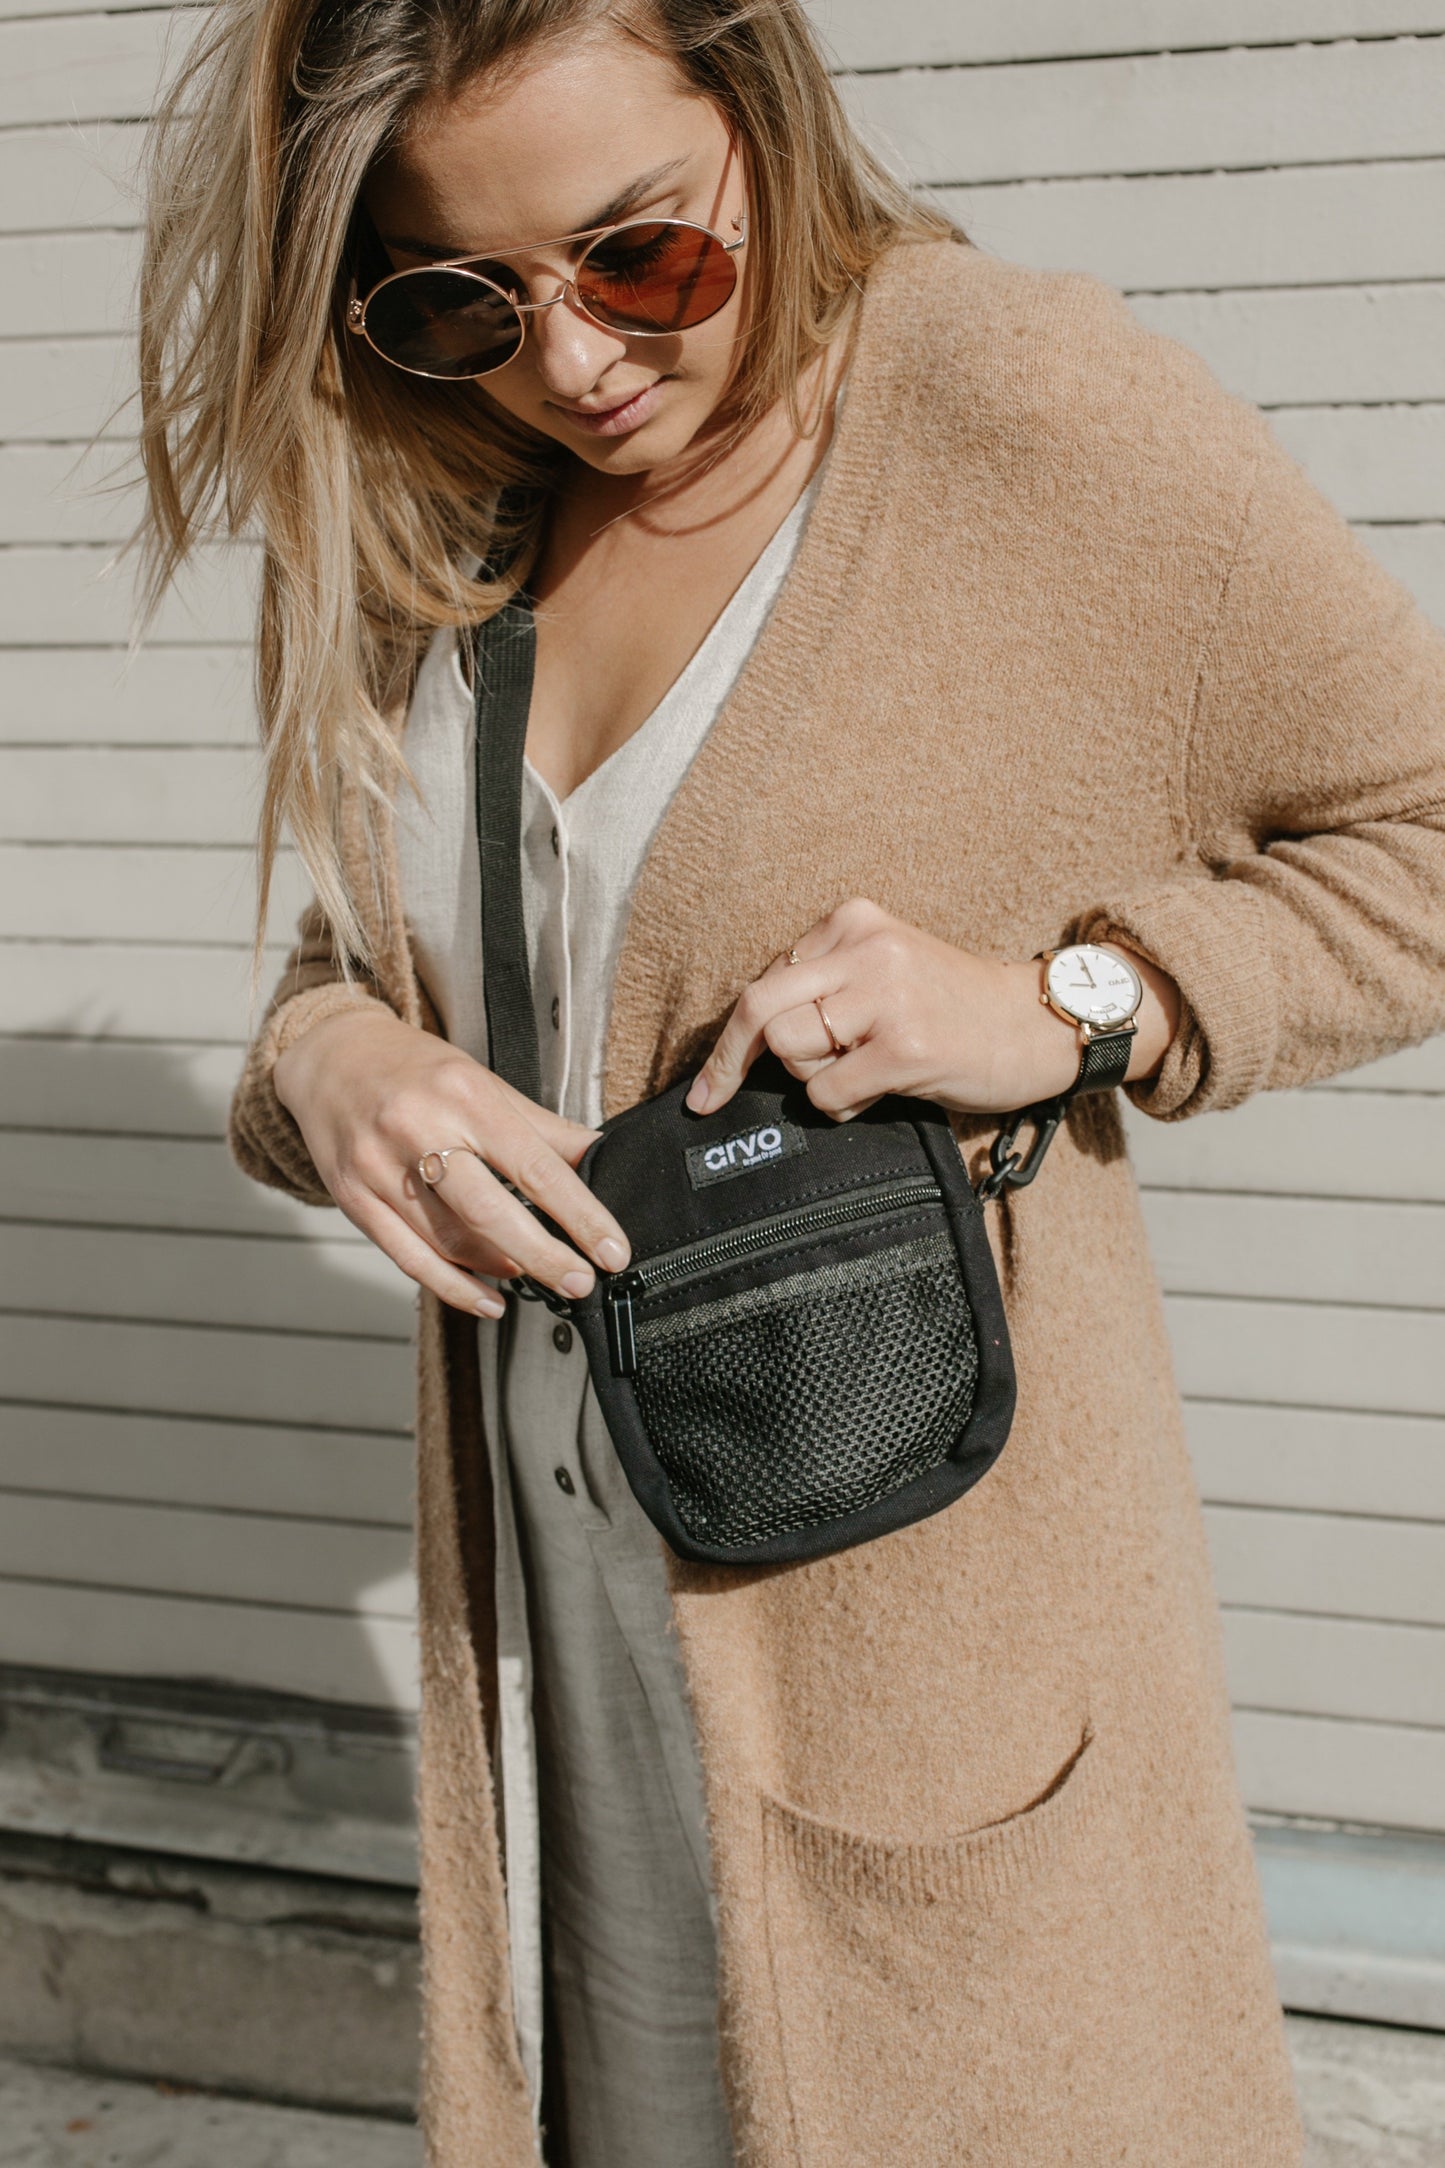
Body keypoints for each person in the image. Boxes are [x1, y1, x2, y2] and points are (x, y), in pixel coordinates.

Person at [136, 2, 1445, 2162]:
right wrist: (328, 1055)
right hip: (576, 1690)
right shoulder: (457, 511)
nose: (578, 362)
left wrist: (1077, 997)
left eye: (645, 254)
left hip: (921, 1692)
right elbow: (393, 972)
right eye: (471, 299)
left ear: (756, 109)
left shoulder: (1008, 405)